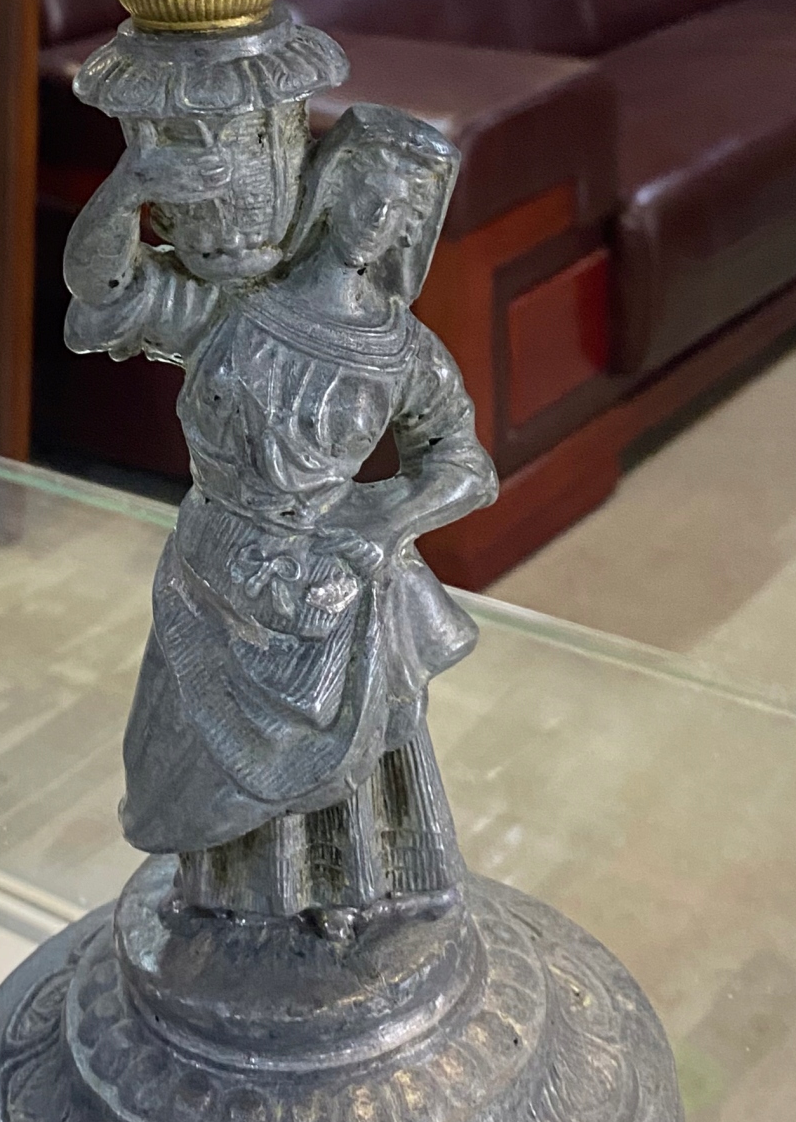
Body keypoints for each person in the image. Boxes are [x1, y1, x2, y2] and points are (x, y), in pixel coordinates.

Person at [66, 96, 498, 926]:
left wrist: (384, 522)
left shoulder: (401, 351)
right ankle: (227, 905)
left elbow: (463, 462)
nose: (377, 220)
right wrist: (129, 185)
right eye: (367, 195)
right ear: (331, 192)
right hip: (211, 576)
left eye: (398, 211)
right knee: (187, 771)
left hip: (330, 591)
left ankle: (348, 897)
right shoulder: (231, 310)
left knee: (344, 764)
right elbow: (103, 285)